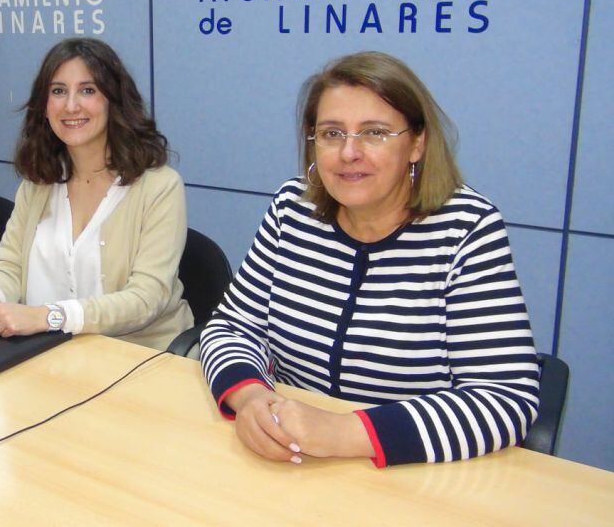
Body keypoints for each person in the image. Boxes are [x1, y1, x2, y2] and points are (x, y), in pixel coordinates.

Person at [200, 51, 539, 467]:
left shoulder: (465, 229)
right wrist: (250, 396)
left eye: (375, 133)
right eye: (331, 133)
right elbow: (232, 327)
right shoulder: (292, 209)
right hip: (290, 462)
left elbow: (506, 399)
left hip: (412, 474)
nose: (348, 153)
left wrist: (343, 432)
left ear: (417, 143)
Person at [0, 38, 193, 350]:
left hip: (136, 359)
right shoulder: (38, 182)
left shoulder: (159, 187)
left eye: (88, 90)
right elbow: (9, 264)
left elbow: (146, 299)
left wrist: (49, 317)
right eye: (58, 91)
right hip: (45, 354)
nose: (71, 105)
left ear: (114, 100)